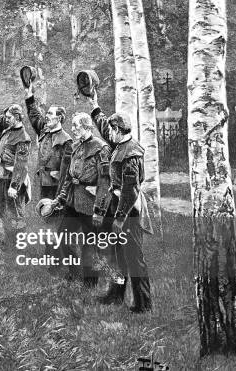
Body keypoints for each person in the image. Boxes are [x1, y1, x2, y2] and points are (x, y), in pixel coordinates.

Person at [89, 90, 153, 313]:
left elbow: (130, 191)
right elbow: (104, 127)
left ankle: (143, 303)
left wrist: (119, 218)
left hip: (129, 211)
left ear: (119, 130)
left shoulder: (131, 154)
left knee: (134, 258)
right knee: (117, 255)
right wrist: (95, 106)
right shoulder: (120, 143)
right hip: (118, 206)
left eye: (112, 130)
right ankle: (116, 295)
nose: (109, 134)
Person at [37, 113, 111, 287]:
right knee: (63, 238)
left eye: (77, 125)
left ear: (87, 126)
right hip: (72, 201)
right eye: (73, 125)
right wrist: (59, 200)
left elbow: (105, 182)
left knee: (89, 245)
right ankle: (76, 273)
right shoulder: (75, 145)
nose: (73, 128)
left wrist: (99, 211)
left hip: (89, 203)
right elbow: (69, 178)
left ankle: (90, 284)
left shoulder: (101, 148)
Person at [0, 86, 32, 249]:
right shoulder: (9, 128)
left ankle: (19, 246)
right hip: (2, 176)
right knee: (2, 208)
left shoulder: (23, 138)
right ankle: (9, 240)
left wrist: (14, 186)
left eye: (10, 117)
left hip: (14, 180)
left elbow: (21, 164)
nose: (7, 119)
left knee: (16, 213)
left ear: (17, 118)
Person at [24, 85, 72, 198]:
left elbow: (67, 171)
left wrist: (59, 176)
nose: (46, 116)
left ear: (59, 118)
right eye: (47, 113)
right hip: (40, 182)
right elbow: (34, 115)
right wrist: (29, 95)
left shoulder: (66, 141)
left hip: (54, 187)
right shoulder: (44, 130)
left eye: (50, 114)